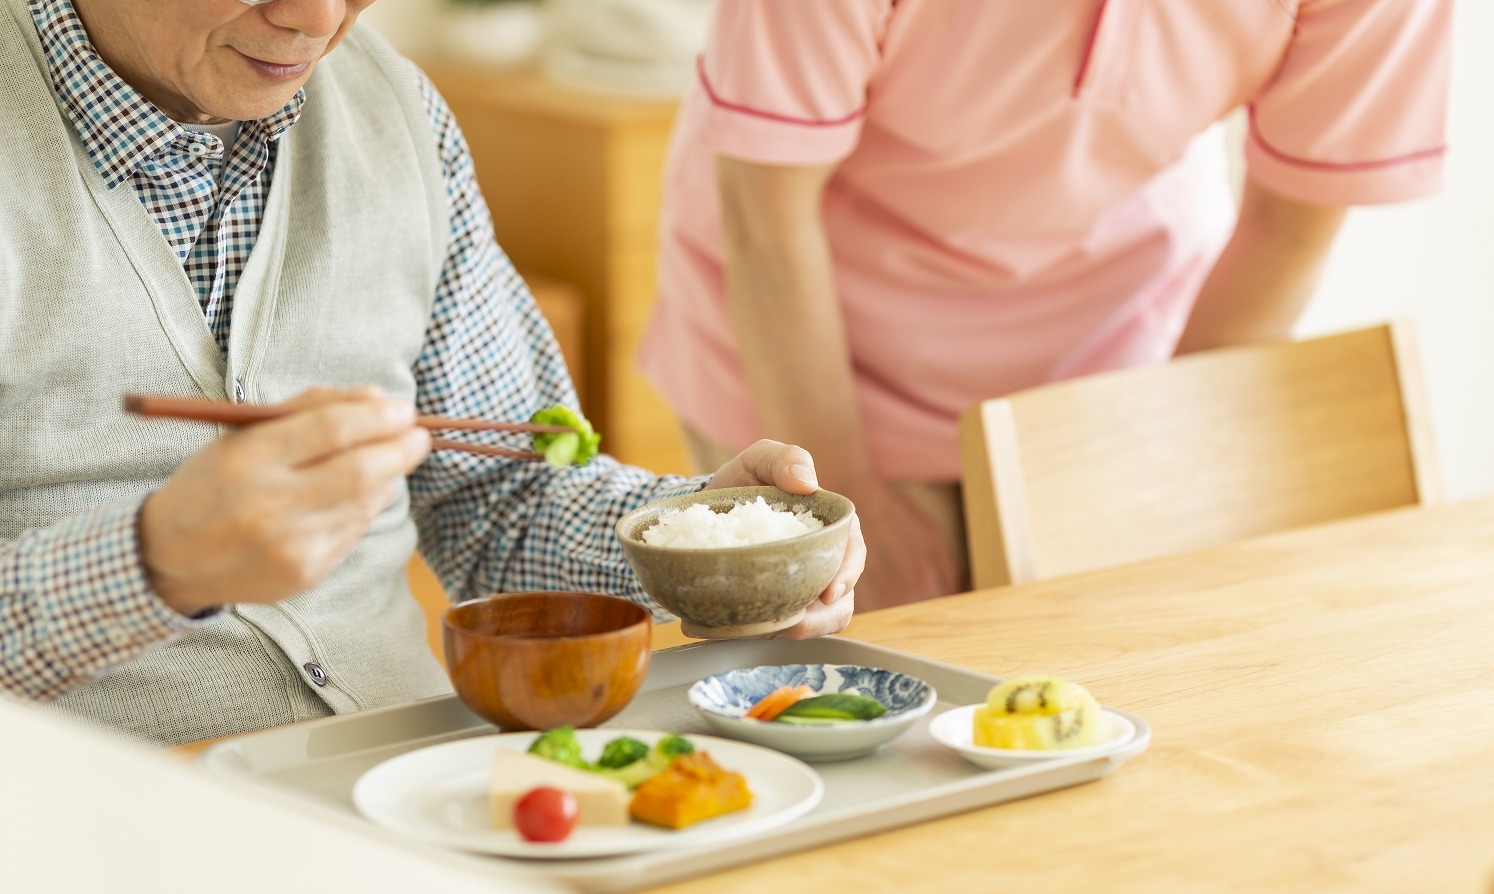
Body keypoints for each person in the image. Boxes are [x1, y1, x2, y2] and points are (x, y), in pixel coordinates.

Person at [0, 0, 865, 747]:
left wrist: (705, 546)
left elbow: (499, 502)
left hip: (408, 789)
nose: (316, 21)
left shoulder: (396, 111)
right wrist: (154, 564)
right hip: (92, 819)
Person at [638, 0, 1452, 610]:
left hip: (1120, 343)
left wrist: (1158, 470)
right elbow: (767, 217)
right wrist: (849, 514)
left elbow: (1288, 225)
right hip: (807, 339)